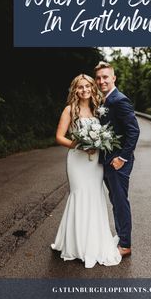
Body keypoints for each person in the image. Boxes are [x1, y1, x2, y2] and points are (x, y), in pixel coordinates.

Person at [50, 74, 122, 268]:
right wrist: (79, 145)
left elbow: (108, 132)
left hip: (95, 162)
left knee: (94, 196)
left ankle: (93, 242)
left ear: (92, 88)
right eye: (80, 87)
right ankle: (75, 243)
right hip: (77, 160)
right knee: (79, 195)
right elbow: (59, 137)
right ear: (75, 90)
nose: (84, 90)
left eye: (87, 87)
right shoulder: (69, 110)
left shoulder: (98, 109)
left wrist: (101, 142)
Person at [94, 61, 140, 258]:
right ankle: (122, 238)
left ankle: (125, 245)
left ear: (114, 78)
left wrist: (122, 158)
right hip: (107, 161)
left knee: (120, 202)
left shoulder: (119, 100)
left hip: (118, 163)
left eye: (105, 77)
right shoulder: (104, 100)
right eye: (98, 78)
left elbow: (134, 131)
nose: (101, 81)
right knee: (115, 200)